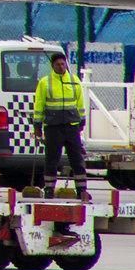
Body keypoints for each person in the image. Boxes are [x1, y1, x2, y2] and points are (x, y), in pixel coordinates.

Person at [34, 50, 88, 198]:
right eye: (57, 64)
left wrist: (82, 120)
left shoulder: (74, 80)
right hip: (53, 127)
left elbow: (80, 102)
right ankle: (49, 189)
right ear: (52, 66)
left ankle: (82, 190)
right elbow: (39, 104)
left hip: (71, 126)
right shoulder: (45, 82)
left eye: (63, 63)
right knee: (52, 159)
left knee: (77, 159)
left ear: (66, 64)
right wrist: (37, 126)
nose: (60, 66)